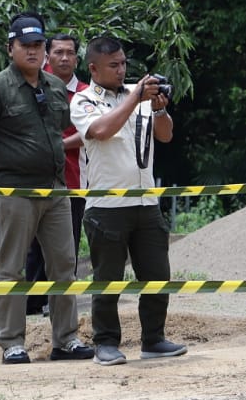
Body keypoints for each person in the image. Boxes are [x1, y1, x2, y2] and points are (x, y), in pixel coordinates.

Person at [0, 13, 94, 365]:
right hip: (13, 191)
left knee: (64, 264)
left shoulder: (53, 87)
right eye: (26, 45)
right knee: (11, 267)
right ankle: (12, 343)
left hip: (55, 190)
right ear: (11, 48)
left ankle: (65, 339)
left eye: (38, 45)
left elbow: (61, 130)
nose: (33, 51)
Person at [70, 35, 188, 366]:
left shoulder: (139, 94)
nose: (122, 71)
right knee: (107, 280)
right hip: (106, 207)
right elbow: (103, 131)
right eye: (113, 65)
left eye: (124, 64)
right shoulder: (83, 101)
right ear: (93, 68)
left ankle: (154, 338)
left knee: (157, 274)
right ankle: (105, 343)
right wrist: (136, 97)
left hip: (146, 201)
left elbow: (165, 135)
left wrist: (160, 109)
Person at [48, 33, 90, 257]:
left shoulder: (87, 93)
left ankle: (65, 293)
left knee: (67, 248)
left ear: (77, 59)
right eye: (58, 52)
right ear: (48, 56)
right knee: (33, 252)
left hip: (73, 182)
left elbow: (92, 133)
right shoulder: (32, 87)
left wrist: (57, 145)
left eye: (70, 53)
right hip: (33, 181)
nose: (64, 58)